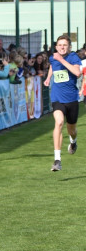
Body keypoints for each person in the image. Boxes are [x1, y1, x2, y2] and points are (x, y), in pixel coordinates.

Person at [44, 34, 82, 171]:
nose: (62, 47)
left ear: (69, 47)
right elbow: (52, 66)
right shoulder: (53, 58)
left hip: (71, 99)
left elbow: (77, 73)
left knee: (71, 130)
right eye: (60, 45)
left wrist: (62, 60)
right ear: (56, 46)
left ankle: (73, 141)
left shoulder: (73, 58)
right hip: (57, 98)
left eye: (64, 45)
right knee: (59, 122)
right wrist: (48, 78)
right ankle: (57, 160)